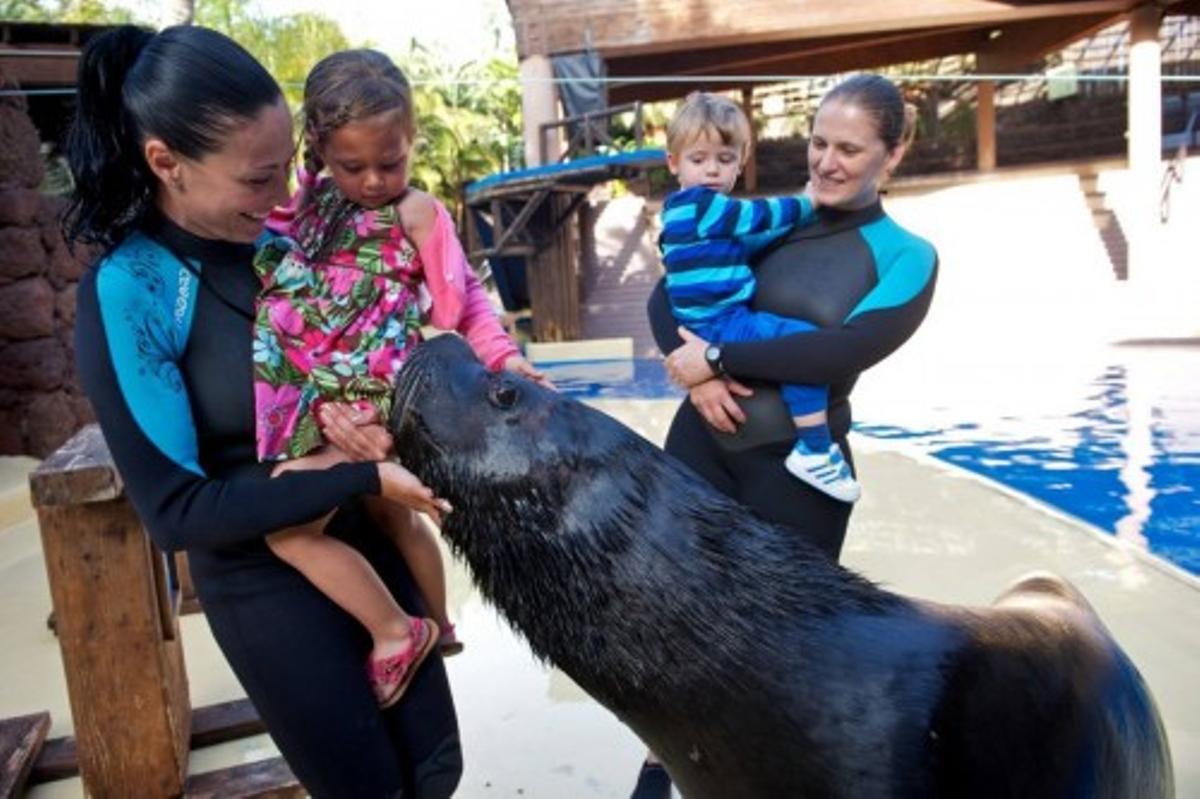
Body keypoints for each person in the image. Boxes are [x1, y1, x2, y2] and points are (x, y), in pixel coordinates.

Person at [66, 25, 462, 797]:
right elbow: (175, 512)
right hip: (266, 579)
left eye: (288, 167)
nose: (283, 197)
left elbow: (380, 345)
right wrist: (361, 478)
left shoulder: (288, 241)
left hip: (368, 535)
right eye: (257, 179)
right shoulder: (134, 287)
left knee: (438, 771)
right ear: (166, 162)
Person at [632, 73, 938, 799]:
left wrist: (718, 356)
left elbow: (839, 352)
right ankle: (658, 764)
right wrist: (698, 379)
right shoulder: (772, 219)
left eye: (849, 150)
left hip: (798, 473)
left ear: (893, 155)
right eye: (818, 143)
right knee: (670, 620)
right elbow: (665, 295)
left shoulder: (905, 254)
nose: (827, 163)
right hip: (701, 444)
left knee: (777, 658)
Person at [252, 48, 546, 706]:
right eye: (351, 166)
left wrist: (503, 357)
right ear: (319, 150)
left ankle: (398, 630)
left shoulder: (415, 213)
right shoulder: (300, 212)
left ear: (412, 141)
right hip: (327, 398)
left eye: (392, 162)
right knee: (393, 513)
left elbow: (467, 302)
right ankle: (442, 627)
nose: (374, 181)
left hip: (376, 398)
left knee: (289, 530)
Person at [660, 91, 860, 503]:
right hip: (723, 324)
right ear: (674, 162)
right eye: (698, 159)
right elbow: (762, 216)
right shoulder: (706, 206)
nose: (712, 170)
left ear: (741, 162)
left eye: (725, 159)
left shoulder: (675, 212)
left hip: (699, 324)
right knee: (801, 347)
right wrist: (810, 201)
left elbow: (745, 242)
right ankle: (815, 450)